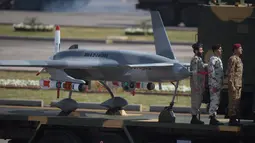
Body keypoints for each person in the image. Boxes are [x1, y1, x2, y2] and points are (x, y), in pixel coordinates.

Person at [190, 42, 207, 124]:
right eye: (201, 50)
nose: (202, 51)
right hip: (196, 85)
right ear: (196, 51)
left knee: (199, 100)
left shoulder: (199, 60)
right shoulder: (195, 60)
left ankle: (195, 117)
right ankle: (194, 118)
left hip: (200, 84)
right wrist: (196, 85)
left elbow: (202, 68)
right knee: (195, 101)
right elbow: (194, 73)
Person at [227, 43, 243, 126]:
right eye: (240, 48)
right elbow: (230, 73)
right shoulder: (233, 59)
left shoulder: (239, 59)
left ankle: (235, 118)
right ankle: (232, 119)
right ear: (235, 50)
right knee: (232, 102)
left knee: (236, 102)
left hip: (238, 85)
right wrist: (231, 85)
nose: (241, 50)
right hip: (234, 85)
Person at [208, 44, 224, 125]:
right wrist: (214, 84)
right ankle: (212, 117)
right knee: (214, 100)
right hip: (214, 84)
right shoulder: (213, 59)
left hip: (217, 84)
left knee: (216, 100)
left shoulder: (218, 59)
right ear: (215, 50)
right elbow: (211, 72)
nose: (221, 51)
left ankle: (213, 116)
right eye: (220, 49)